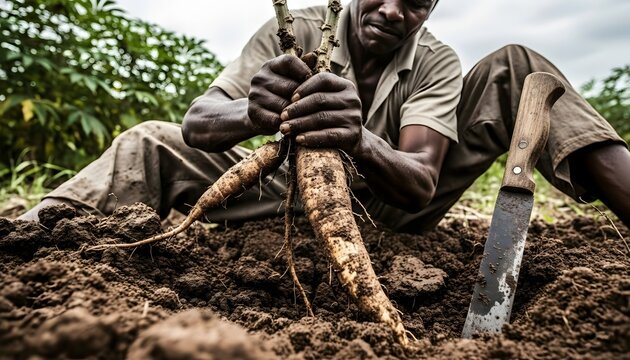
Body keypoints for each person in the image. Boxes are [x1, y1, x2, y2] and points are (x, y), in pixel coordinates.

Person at [19, 0, 630, 232]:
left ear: (430, 8)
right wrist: (251, 113)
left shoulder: (436, 61)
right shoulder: (299, 27)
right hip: (278, 189)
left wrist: (360, 139)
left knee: (519, 64)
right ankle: (34, 241)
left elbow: (419, 181)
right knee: (146, 141)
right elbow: (197, 122)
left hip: (385, 208)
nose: (392, 10)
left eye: (414, 2)